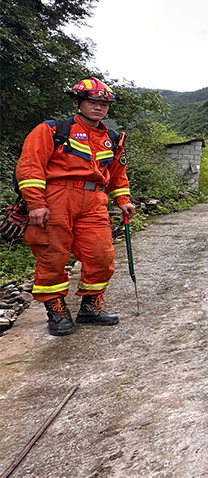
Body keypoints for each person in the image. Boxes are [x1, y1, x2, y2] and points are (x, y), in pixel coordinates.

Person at [15, 78, 135, 336]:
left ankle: (90, 307)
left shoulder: (112, 138)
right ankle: (56, 309)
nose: (99, 107)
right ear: (77, 102)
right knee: (52, 256)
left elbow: (116, 175)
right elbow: (30, 166)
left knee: (102, 255)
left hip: (93, 201)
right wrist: (36, 202)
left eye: (104, 104)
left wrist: (123, 200)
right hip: (56, 197)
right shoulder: (52, 129)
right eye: (92, 102)